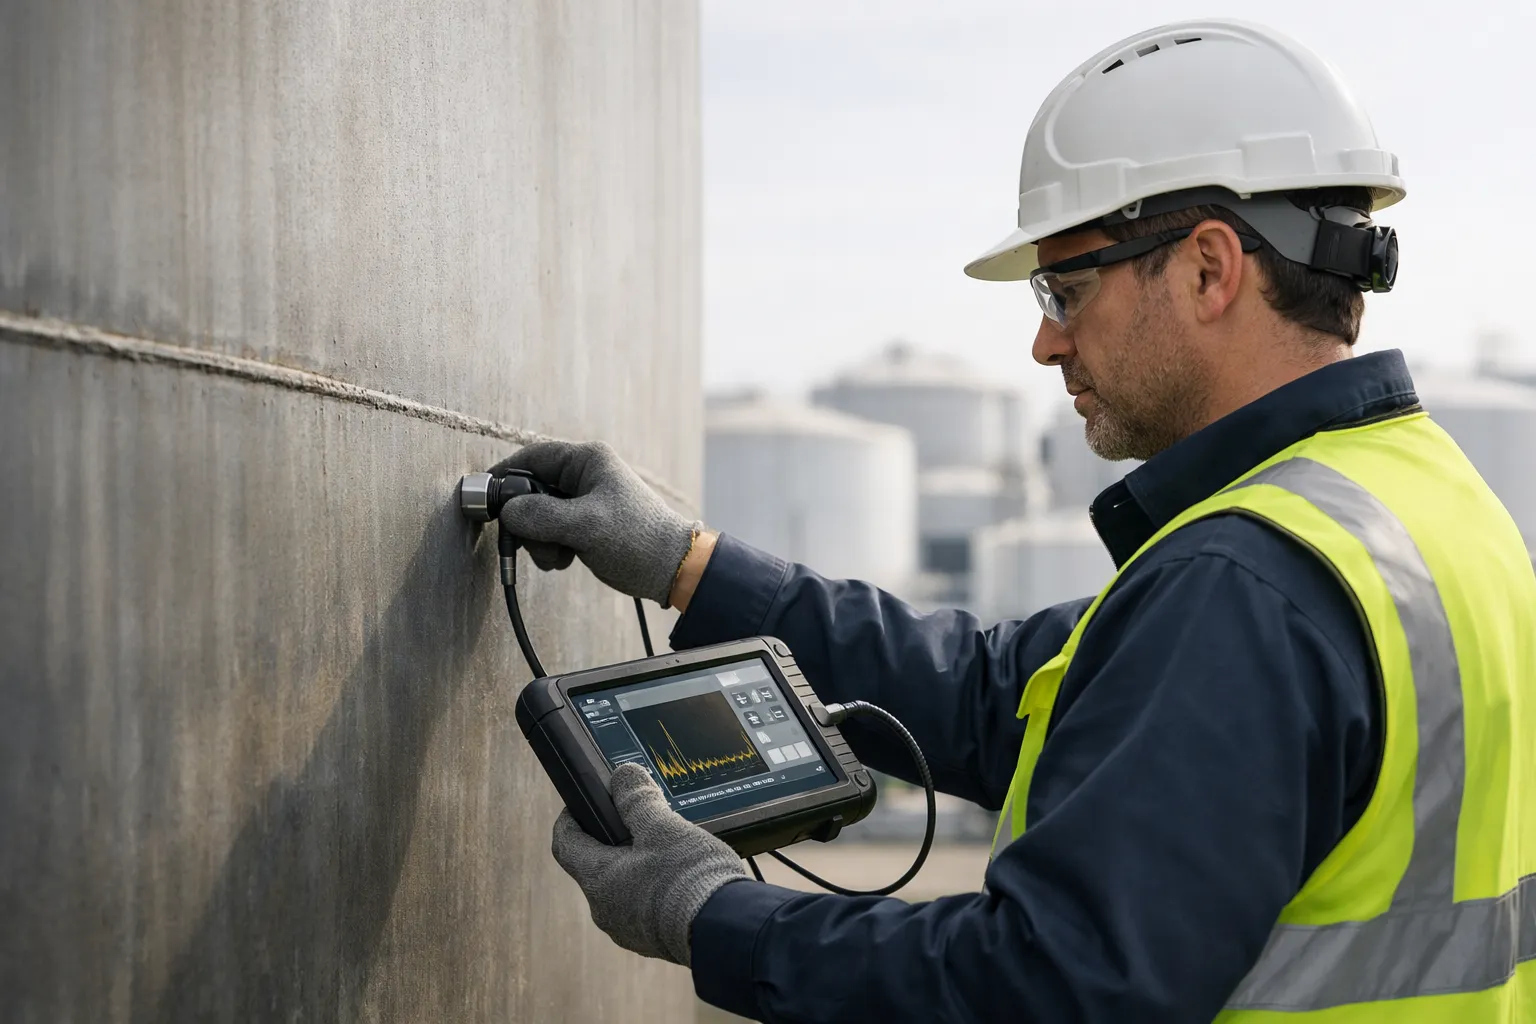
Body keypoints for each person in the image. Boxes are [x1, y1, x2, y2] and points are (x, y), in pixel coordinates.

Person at [493, 19, 1536, 1023]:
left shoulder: (1248, 581)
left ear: (1211, 269)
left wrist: (717, 916)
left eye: (1066, 288)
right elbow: (1007, 695)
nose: (1045, 343)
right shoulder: (1432, 508)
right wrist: (690, 563)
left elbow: (1051, 984)